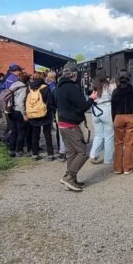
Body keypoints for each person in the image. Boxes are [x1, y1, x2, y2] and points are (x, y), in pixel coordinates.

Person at [55, 62, 97, 191]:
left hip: (61, 123)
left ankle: (72, 181)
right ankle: (69, 177)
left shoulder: (58, 87)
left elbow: (52, 103)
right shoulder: (72, 88)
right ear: (73, 74)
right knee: (82, 152)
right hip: (71, 125)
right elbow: (83, 106)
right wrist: (91, 99)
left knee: (72, 152)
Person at [111, 70, 133, 175]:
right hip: (131, 117)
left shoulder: (115, 92)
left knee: (118, 144)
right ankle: (127, 168)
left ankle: (117, 168)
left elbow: (113, 108)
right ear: (129, 78)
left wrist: (113, 120)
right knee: (129, 144)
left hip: (118, 117)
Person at [27, 72, 56, 161]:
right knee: (47, 134)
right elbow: (50, 101)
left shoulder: (30, 88)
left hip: (33, 114)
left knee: (35, 135)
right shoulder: (46, 88)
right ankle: (50, 154)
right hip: (45, 113)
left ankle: (35, 154)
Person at [89, 77, 115, 165]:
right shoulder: (109, 86)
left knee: (98, 135)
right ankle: (108, 159)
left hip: (95, 111)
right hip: (106, 110)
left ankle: (93, 155)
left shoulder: (94, 85)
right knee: (109, 136)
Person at [6, 72, 30, 157]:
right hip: (19, 111)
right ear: (26, 80)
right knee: (21, 131)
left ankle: (11, 150)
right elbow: (20, 102)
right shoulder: (23, 87)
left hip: (11, 110)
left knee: (14, 131)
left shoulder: (13, 85)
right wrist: (24, 114)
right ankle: (19, 150)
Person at [46, 71, 66, 161]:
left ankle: (60, 148)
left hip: (50, 109)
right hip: (57, 109)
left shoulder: (47, 85)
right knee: (60, 129)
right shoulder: (54, 86)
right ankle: (61, 148)